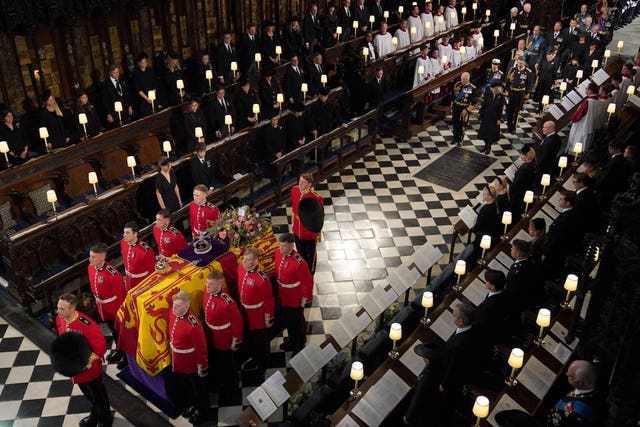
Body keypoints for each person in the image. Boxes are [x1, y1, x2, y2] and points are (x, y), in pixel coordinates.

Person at [56, 293, 111, 427]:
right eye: (58, 307)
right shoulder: (60, 319)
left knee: (98, 396)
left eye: (62, 309)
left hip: (89, 369)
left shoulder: (86, 324)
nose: (58, 311)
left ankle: (105, 419)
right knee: (88, 394)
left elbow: (100, 346)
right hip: (75, 369)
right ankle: (95, 413)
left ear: (72, 309)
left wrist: (86, 362)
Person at [495, 360, 600, 427]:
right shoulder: (586, 389)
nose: (566, 375)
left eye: (570, 376)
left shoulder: (580, 412)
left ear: (580, 383)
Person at [167, 291, 208, 424]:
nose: (174, 308)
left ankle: (202, 410)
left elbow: (201, 347)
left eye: (178, 306)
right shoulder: (173, 314)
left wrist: (202, 365)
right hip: (178, 359)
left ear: (187, 306)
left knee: (197, 387)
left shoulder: (193, 324)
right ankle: (192, 405)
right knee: (186, 386)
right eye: (174, 305)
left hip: (190, 361)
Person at [203, 270, 244, 393]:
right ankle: (220, 382)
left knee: (229, 365)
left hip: (224, 338)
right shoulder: (207, 292)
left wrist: (236, 340)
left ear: (220, 284)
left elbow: (238, 323)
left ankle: (232, 387)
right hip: (211, 335)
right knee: (217, 363)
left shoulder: (227, 302)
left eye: (211, 284)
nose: (208, 286)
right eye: (207, 283)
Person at [87, 243, 127, 369]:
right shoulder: (91, 268)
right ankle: (119, 351)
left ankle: (127, 357)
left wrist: (124, 314)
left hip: (115, 309)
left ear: (102, 258)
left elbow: (122, 297)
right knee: (113, 332)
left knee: (122, 334)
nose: (90, 259)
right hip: (103, 308)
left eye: (93, 257)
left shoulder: (113, 275)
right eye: (90, 256)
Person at [275, 233, 313, 353]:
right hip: (283, 294)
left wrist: (305, 298)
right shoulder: (278, 253)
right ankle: (292, 340)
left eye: (284, 246)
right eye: (280, 245)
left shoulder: (299, 262)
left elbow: (307, 281)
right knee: (288, 320)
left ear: (292, 245)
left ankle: (299, 344)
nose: (281, 249)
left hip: (294, 297)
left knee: (297, 322)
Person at [237, 247, 274, 373]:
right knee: (250, 339)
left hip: (257, 314)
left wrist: (268, 317)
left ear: (256, 261)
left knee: (260, 340)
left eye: (248, 260)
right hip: (245, 311)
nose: (244, 262)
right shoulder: (240, 269)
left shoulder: (261, 279)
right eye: (244, 259)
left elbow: (268, 300)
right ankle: (254, 358)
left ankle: (263, 363)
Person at [291, 173, 324, 274]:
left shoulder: (316, 197)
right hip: (297, 229)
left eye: (303, 182)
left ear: (309, 184)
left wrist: (315, 231)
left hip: (309, 231)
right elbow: (293, 208)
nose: (300, 184)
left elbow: (320, 216)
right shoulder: (294, 190)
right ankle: (303, 270)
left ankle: (310, 272)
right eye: (300, 181)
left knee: (311, 255)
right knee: (300, 253)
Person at [545, 189, 580, 278]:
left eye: (561, 199)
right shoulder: (569, 212)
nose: (558, 200)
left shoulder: (565, 219)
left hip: (556, 253)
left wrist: (546, 253)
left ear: (568, 203)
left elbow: (555, 239)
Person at [506, 239, 544, 313]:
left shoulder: (517, 272)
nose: (511, 249)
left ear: (518, 254)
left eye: (513, 248)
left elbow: (512, 290)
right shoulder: (530, 260)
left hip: (520, 302)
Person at [474, 269, 510, 346]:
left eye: (487, 281)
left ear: (493, 287)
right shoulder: (503, 293)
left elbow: (483, 321)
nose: (485, 282)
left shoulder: (490, 306)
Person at [564, 82, 600, 155]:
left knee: (577, 142)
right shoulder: (598, 100)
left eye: (586, 89)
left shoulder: (587, 102)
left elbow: (578, 116)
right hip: (590, 125)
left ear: (590, 90)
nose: (585, 90)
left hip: (581, 125)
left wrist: (571, 118)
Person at [120, 221, 156, 291]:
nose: (124, 235)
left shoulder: (146, 251)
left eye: (127, 233)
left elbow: (153, 272)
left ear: (135, 234)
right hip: (128, 281)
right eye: (124, 232)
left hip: (142, 283)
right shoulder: (123, 242)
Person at [505, 56, 533, 133]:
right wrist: (507, 93)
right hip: (512, 92)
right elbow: (508, 81)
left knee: (517, 111)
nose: (519, 64)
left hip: (520, 93)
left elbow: (529, 84)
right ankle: (509, 127)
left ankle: (514, 128)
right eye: (518, 62)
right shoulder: (512, 70)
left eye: (521, 63)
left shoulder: (528, 72)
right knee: (509, 111)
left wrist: (526, 95)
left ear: (524, 63)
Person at [472, 185, 500, 256]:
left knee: (478, 253)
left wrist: (474, 230)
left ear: (490, 196)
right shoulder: (494, 204)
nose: (482, 196)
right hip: (490, 232)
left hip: (482, 235)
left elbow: (479, 223)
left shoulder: (485, 209)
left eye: (484, 194)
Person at [478, 81, 505, 154]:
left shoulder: (501, 96)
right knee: (484, 131)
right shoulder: (488, 94)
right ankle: (485, 145)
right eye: (494, 89)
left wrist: (499, 119)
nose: (496, 90)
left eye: (497, 89)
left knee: (491, 132)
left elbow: (501, 108)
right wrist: (480, 113)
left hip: (494, 118)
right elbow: (484, 104)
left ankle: (489, 146)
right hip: (486, 115)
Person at [509, 145, 536, 219]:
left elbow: (516, 184)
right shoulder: (532, 165)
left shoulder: (524, 169)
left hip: (519, 195)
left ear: (527, 157)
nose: (520, 155)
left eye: (522, 154)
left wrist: (510, 189)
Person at [451, 72, 476, 146]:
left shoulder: (472, 88)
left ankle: (460, 139)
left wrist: (467, 110)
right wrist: (452, 106)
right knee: (455, 122)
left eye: (464, 79)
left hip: (464, 108)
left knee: (462, 124)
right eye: (462, 79)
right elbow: (453, 96)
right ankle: (455, 137)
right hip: (456, 106)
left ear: (468, 79)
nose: (462, 81)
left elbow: (473, 102)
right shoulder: (458, 85)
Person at [132, 52, 156, 118]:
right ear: (139, 63)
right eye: (142, 62)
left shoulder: (150, 70)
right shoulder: (136, 73)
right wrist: (147, 98)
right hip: (143, 99)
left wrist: (152, 96)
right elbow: (138, 89)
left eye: (145, 62)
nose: (144, 64)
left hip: (152, 97)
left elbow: (154, 84)